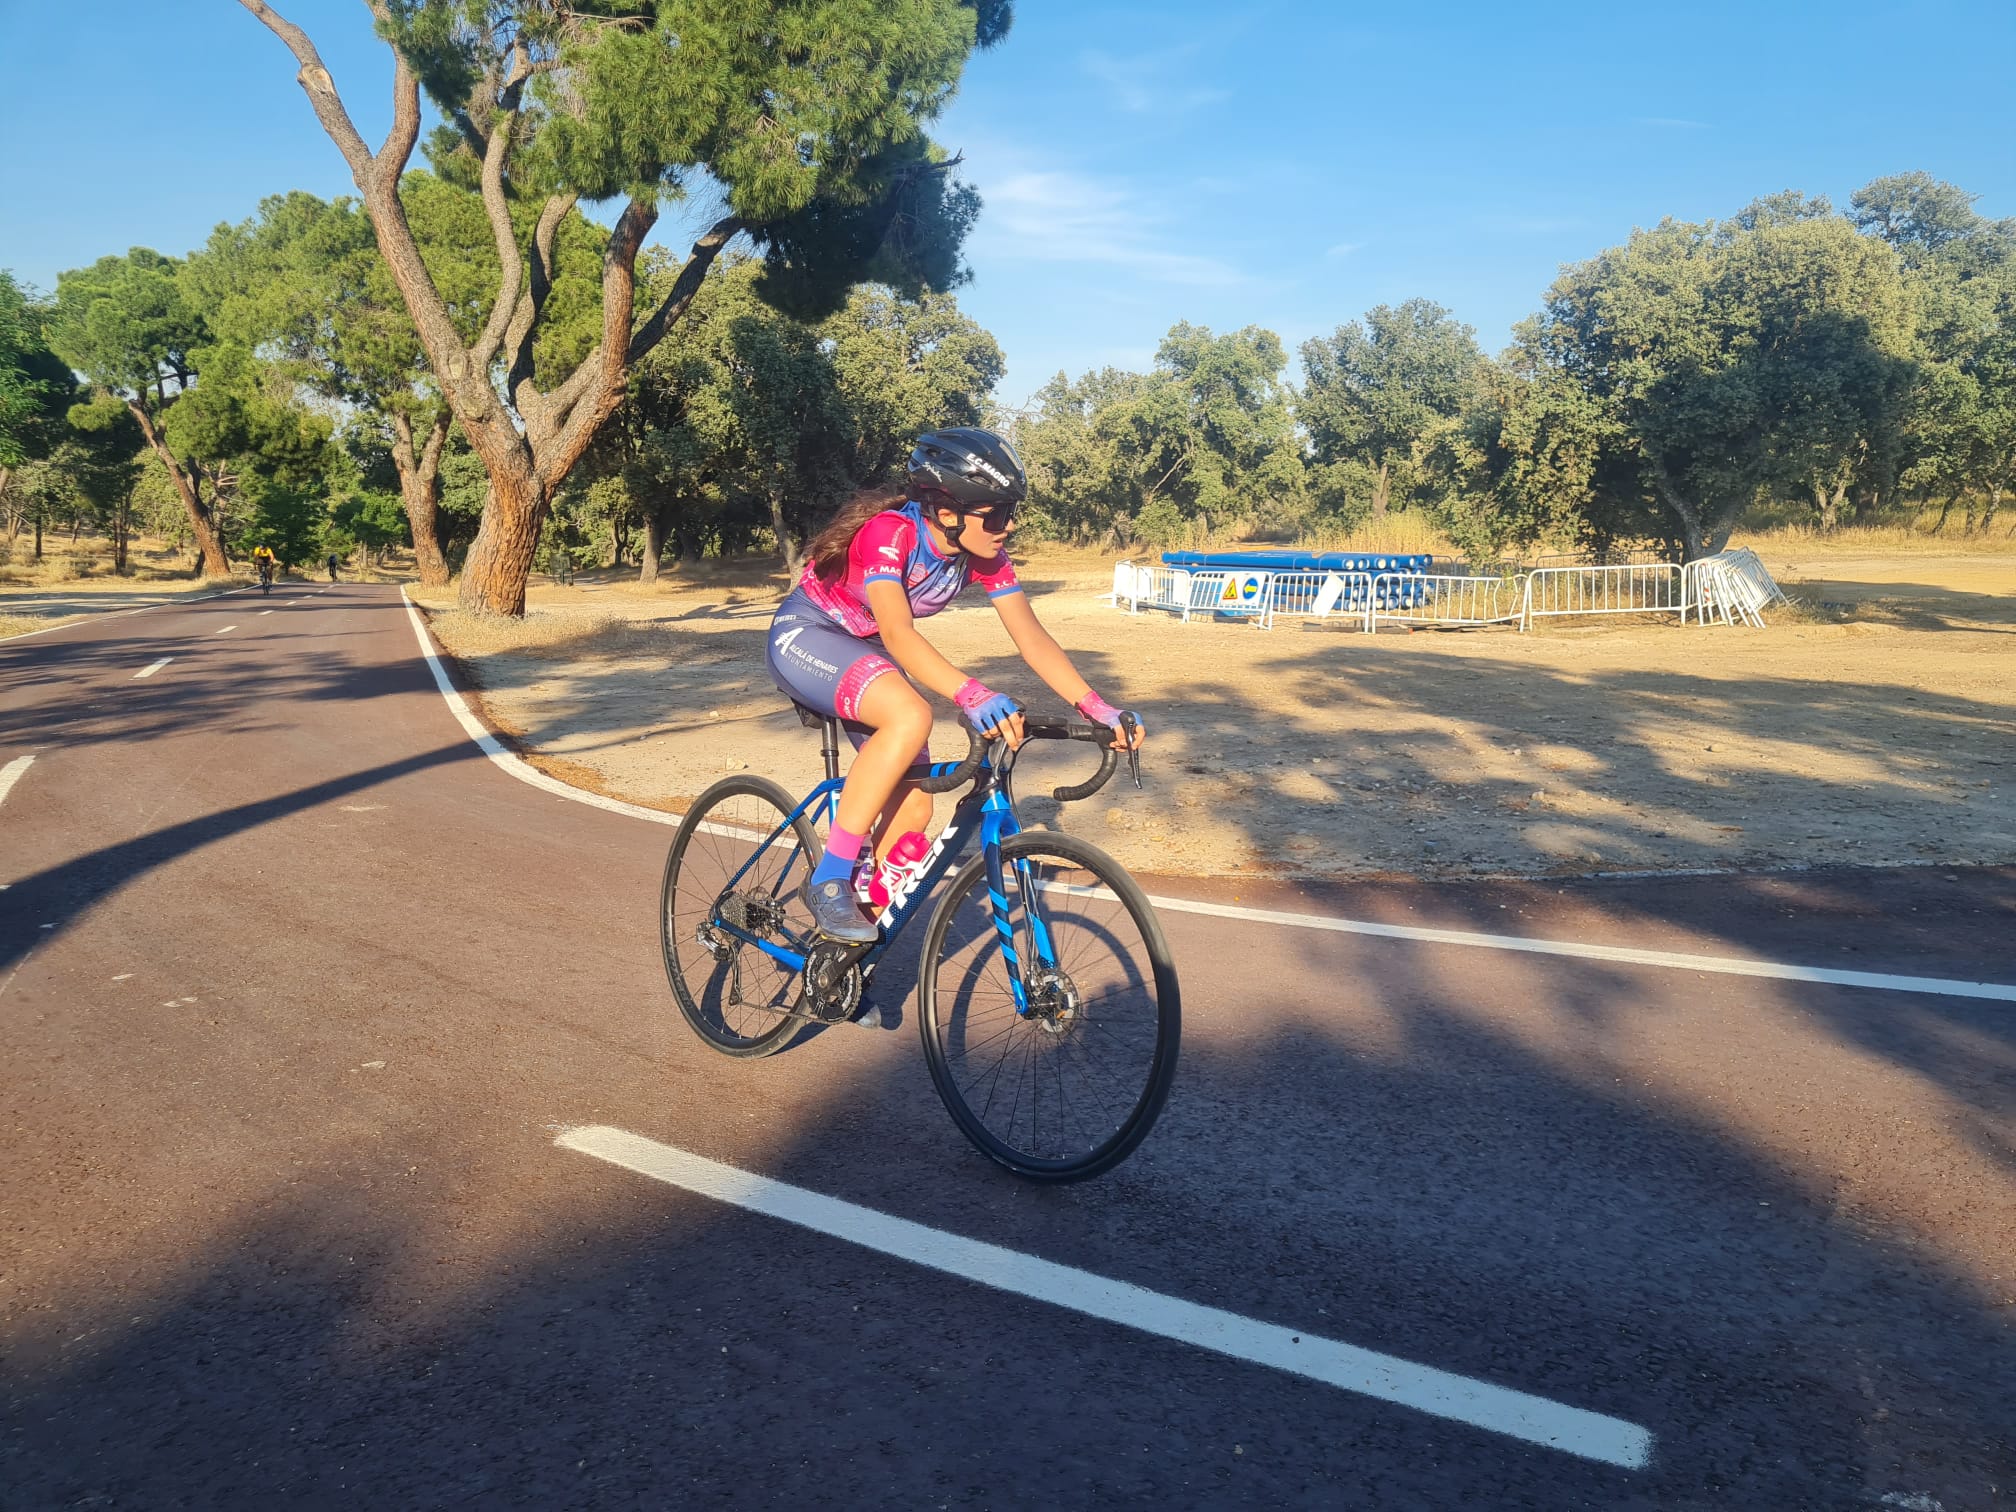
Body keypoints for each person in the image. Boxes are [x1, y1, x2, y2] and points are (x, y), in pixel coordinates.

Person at [766, 427, 1146, 942]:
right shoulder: (890, 533)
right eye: (995, 514)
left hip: (867, 647)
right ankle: (831, 878)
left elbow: (1031, 638)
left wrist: (1094, 706)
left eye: (1013, 512)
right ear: (946, 512)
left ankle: (843, 955)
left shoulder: (985, 553)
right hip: (810, 632)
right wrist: (973, 694)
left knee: (917, 805)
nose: (1007, 527)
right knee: (911, 715)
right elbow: (900, 635)